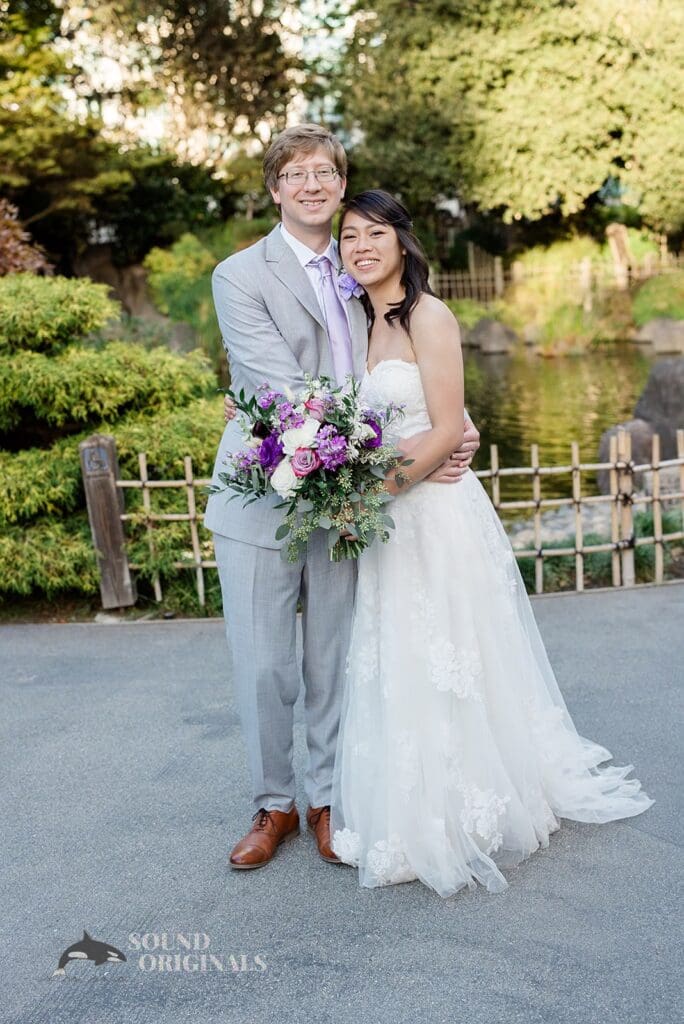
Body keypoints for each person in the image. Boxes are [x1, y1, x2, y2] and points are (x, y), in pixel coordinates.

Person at [328, 189, 654, 897]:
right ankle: (404, 803)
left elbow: (447, 429)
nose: (361, 246)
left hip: (434, 513)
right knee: (401, 654)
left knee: (451, 652)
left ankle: (466, 806)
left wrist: (367, 496)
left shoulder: (429, 315)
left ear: (403, 242)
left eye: (374, 233)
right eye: (349, 236)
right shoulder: (356, 320)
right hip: (391, 524)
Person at [204, 125, 481, 870]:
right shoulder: (239, 275)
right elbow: (278, 390)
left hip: (349, 499)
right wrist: (404, 447)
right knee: (265, 664)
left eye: (326, 171)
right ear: (275, 189)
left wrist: (450, 424)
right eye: (297, 175)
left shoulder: (363, 267)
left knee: (333, 654)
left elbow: (406, 358)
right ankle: (273, 804)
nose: (314, 185)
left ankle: (327, 796)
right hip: (267, 490)